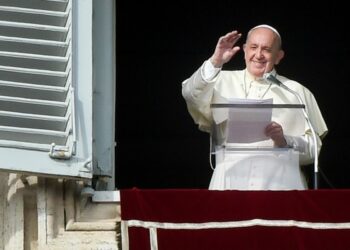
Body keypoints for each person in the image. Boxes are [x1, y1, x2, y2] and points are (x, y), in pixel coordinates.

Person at [181, 24, 328, 190]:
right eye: (253, 47)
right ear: (244, 50)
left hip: (281, 186)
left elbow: (314, 150)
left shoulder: (296, 91)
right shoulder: (219, 80)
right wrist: (215, 61)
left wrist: (285, 140)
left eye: (266, 49)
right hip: (229, 183)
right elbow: (190, 94)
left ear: (279, 56)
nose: (258, 55)